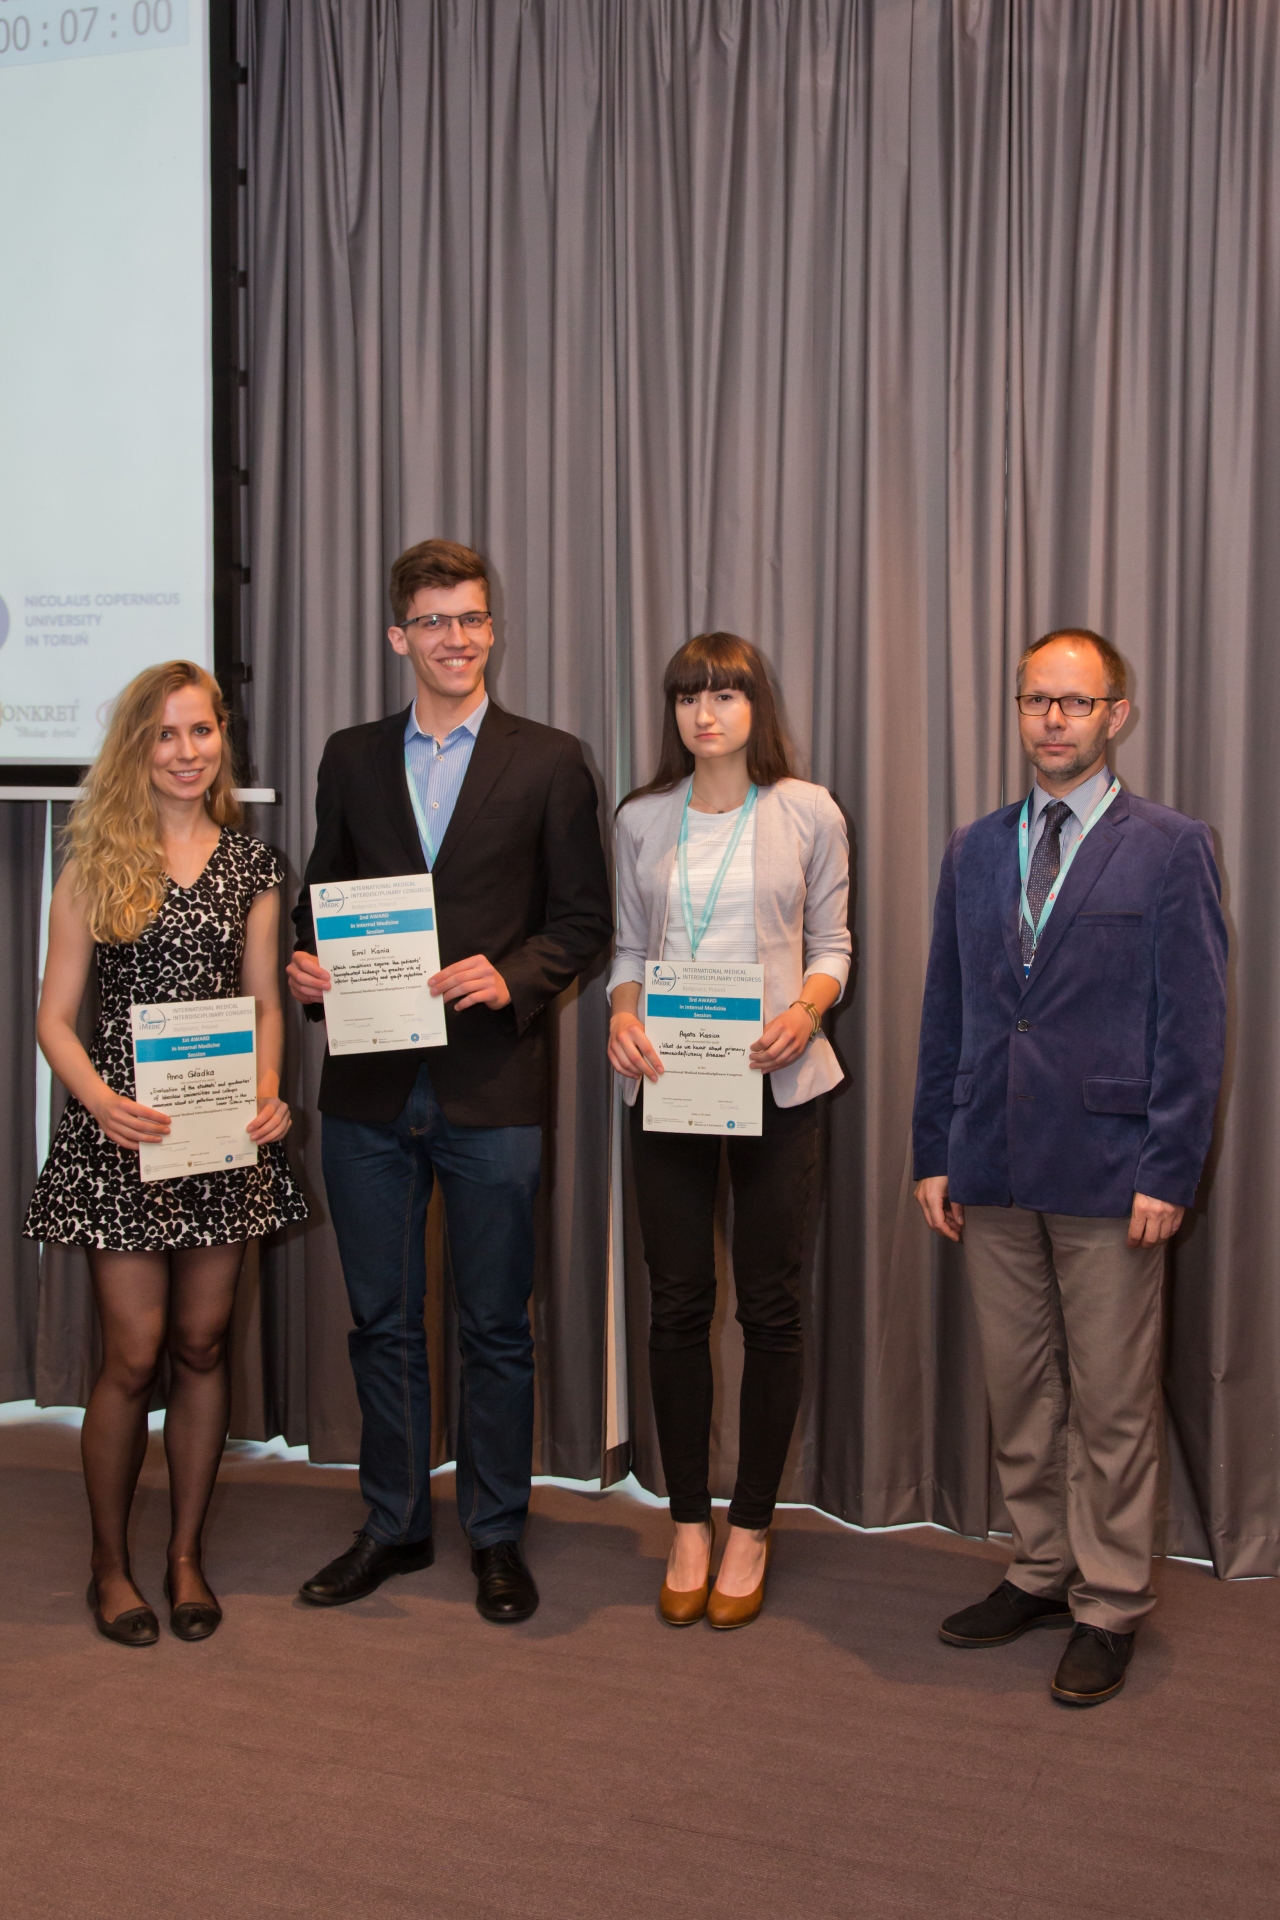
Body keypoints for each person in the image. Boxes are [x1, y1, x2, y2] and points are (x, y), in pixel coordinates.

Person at [288, 537, 612, 1623]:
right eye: (433, 621)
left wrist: (512, 975)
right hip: (368, 1090)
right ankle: (392, 1524)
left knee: (495, 1327)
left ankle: (495, 1533)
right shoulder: (349, 757)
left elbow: (582, 921)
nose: (455, 638)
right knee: (380, 1322)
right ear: (399, 636)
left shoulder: (551, 760)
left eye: (471, 618)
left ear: (492, 628)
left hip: (492, 1087)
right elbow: (319, 901)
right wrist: (306, 967)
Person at [912, 627, 1227, 1706]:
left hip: (1111, 1169)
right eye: (1035, 700)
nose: (1052, 720)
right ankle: (1040, 1569)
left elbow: (1193, 1025)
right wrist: (933, 1148)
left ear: (1114, 715)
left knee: (1111, 1401)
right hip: (990, 1160)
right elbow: (946, 1006)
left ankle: (1109, 1601)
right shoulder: (972, 848)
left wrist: (1168, 1168)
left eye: (1074, 702)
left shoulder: (1170, 846)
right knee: (1018, 1389)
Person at [25, 660, 306, 1647]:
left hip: (221, 1138)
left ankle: (185, 1556)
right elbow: (53, 1018)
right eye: (166, 735)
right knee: (134, 1356)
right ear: (136, 749)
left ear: (222, 738)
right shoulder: (95, 862)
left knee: (202, 1346)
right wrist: (101, 1102)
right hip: (122, 1138)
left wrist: (267, 1093)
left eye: (202, 732)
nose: (188, 753)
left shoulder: (254, 865)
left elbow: (266, 1003)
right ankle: (109, 1565)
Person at [608, 633, 851, 1629]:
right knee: (675, 1305)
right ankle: (687, 1523)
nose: (704, 714)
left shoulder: (808, 810)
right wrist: (621, 1015)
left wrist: (807, 1010)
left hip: (775, 1083)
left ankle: (750, 1523)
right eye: (687, 697)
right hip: (669, 1083)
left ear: (756, 707)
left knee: (770, 1307)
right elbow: (628, 946)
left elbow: (832, 943)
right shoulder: (640, 817)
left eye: (724, 695)